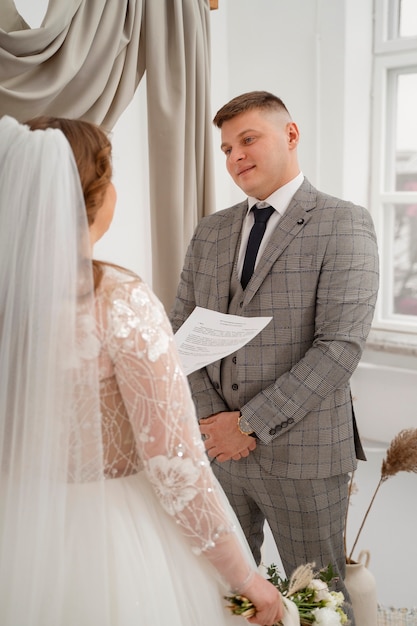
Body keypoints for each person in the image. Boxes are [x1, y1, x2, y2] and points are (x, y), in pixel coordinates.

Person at [0, 114, 290, 626]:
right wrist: (247, 580)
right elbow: (172, 464)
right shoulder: (118, 299)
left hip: (19, 527)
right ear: (94, 195)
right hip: (110, 541)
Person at [170, 90, 380, 626]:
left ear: (290, 135)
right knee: (223, 595)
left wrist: (250, 425)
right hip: (216, 451)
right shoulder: (210, 230)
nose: (234, 156)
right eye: (225, 148)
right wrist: (215, 426)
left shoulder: (344, 222)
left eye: (247, 139)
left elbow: (340, 348)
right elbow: (181, 332)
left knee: (320, 601)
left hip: (304, 458)